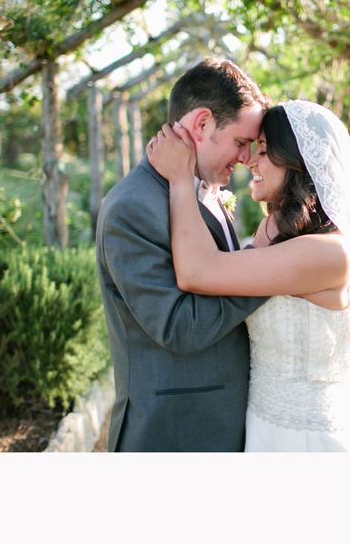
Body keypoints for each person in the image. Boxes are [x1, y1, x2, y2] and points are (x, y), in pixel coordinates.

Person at [147, 100, 350, 452]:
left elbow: (198, 272)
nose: (249, 160)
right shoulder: (274, 234)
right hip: (262, 428)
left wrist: (180, 178)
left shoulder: (330, 253)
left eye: (262, 150)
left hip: (307, 440)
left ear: (297, 163)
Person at [95, 57, 270, 451]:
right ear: (202, 123)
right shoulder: (132, 207)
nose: (246, 158)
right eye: (242, 142)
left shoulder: (196, 187)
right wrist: (271, 271)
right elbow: (179, 325)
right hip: (174, 431)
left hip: (220, 422)